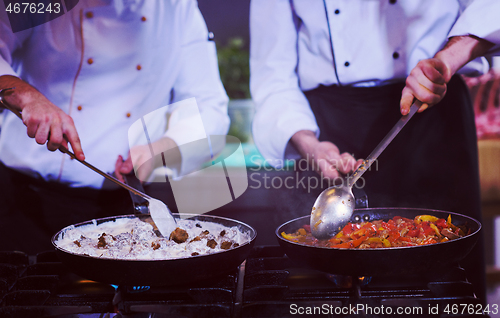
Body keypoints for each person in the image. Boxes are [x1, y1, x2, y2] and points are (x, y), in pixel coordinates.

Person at [250, 0, 499, 304]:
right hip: (326, 123)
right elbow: (272, 73)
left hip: (431, 107)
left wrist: (447, 59)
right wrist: (309, 143)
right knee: (324, 293)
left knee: (448, 286)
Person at [0, 0, 229, 253]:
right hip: (25, 203)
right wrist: (23, 93)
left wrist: (162, 148)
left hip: (123, 208)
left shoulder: (175, 6)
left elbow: (208, 107)